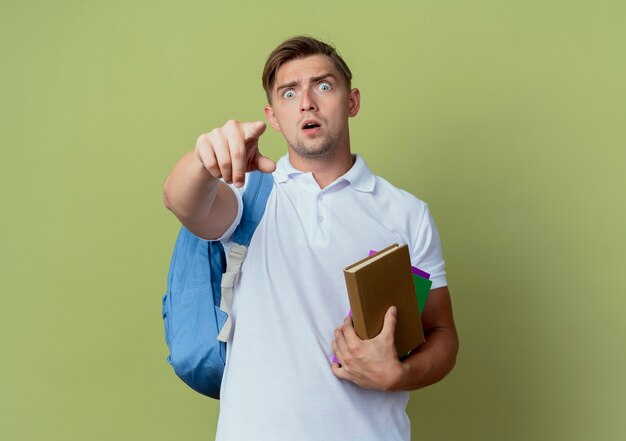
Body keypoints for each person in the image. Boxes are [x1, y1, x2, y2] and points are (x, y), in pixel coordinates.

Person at [163, 35, 459, 441]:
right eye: (289, 93)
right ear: (273, 116)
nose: (307, 102)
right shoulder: (246, 194)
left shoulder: (406, 214)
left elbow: (441, 333)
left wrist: (399, 374)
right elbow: (182, 201)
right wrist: (202, 159)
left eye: (323, 85)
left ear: (351, 101)